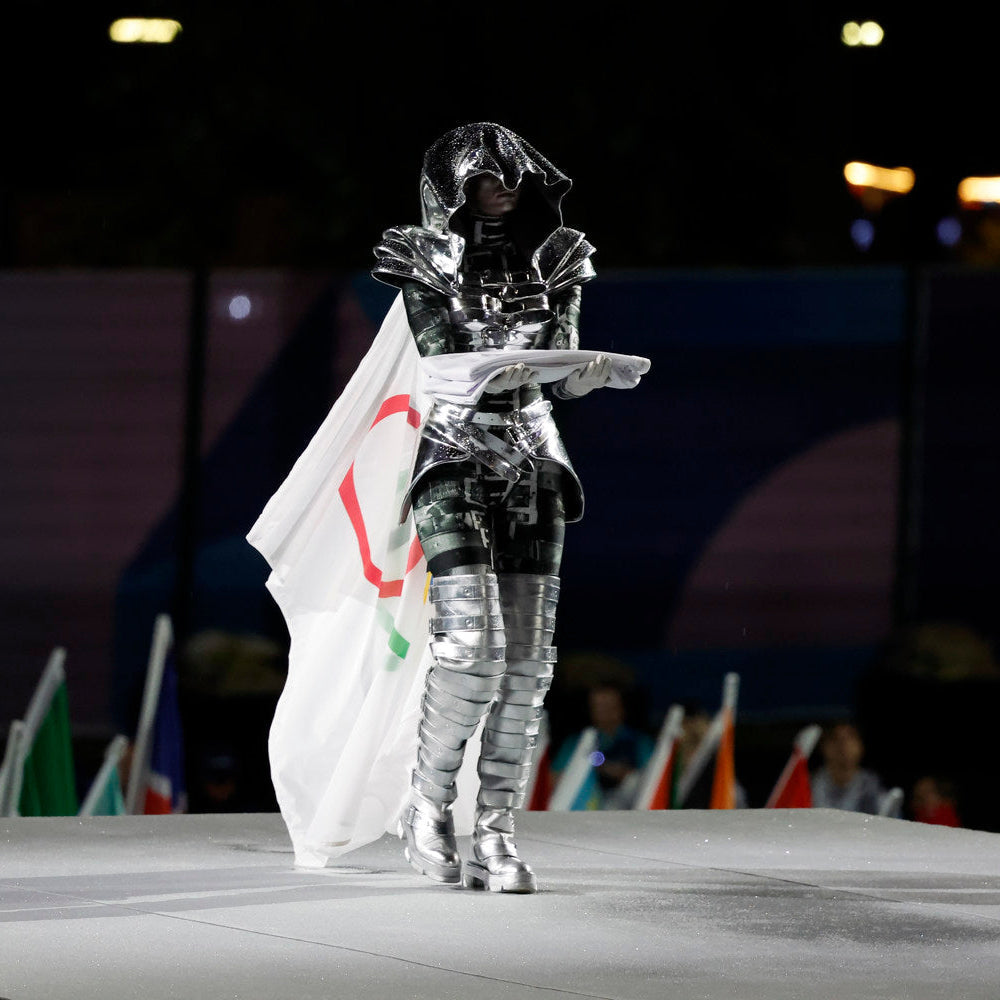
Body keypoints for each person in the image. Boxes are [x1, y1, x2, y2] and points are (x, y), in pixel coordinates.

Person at [370, 122, 636, 893]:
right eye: (487, 175)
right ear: (452, 187)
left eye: (515, 173)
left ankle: (495, 831)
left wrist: (588, 374)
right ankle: (425, 808)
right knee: (471, 652)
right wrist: (513, 365)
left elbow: (563, 361)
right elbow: (439, 360)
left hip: (536, 458)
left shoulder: (559, 259)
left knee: (526, 664)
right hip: (456, 452)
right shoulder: (425, 257)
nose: (507, 185)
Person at [810, 720, 885, 814]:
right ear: (824, 746)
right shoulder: (808, 785)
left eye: (850, 738)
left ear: (860, 746)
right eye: (835, 739)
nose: (843, 745)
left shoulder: (873, 787)